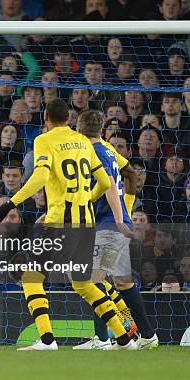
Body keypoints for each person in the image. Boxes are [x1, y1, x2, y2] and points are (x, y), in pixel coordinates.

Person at [0, 99, 136, 350]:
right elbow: (105, 182)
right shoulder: (82, 140)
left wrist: (10, 203)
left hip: (61, 221)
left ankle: (47, 339)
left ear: (46, 116)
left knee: (32, 277)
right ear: (69, 118)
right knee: (84, 283)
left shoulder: (44, 140)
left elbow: (41, 176)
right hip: (86, 221)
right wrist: (84, 200)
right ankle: (123, 338)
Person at [74, 110, 158, 350]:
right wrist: (127, 209)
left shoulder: (93, 152)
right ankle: (148, 335)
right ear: (101, 130)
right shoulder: (109, 150)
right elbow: (130, 172)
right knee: (122, 282)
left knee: (94, 279)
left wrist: (120, 218)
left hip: (110, 227)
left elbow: (109, 184)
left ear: (79, 129)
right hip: (112, 225)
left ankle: (102, 339)